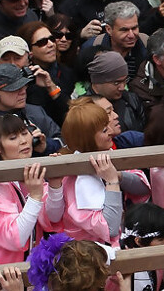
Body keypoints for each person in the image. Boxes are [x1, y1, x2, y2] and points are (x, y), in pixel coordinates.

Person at [44, 100, 150, 244]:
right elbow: (109, 228)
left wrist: (117, 175)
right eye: (104, 130)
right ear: (86, 137)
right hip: (87, 255)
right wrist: (112, 181)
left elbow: (142, 188)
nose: (111, 132)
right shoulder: (73, 174)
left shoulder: (106, 154)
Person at [0, 114, 48, 279]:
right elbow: (16, 238)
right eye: (13, 137)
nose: (23, 141)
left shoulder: (27, 170)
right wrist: (35, 196)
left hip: (29, 273)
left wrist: (55, 186)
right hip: (3, 281)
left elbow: (52, 219)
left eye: (25, 133)